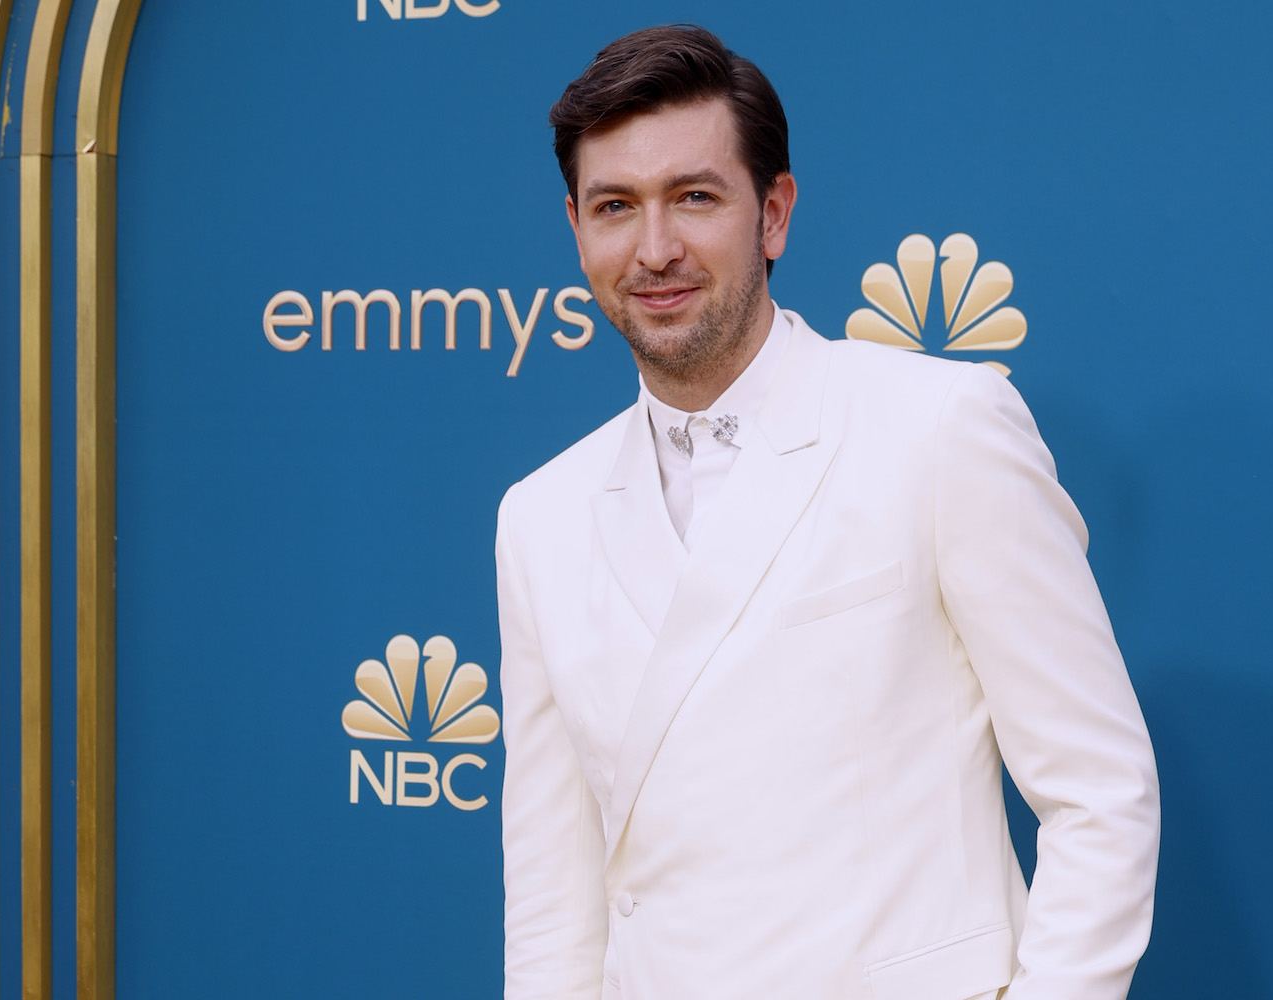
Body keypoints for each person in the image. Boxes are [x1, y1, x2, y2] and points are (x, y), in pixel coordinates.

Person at [495, 24, 1159, 1000]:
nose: (656, 248)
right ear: (576, 230)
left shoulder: (940, 428)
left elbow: (1101, 794)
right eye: (615, 207)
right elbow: (555, 899)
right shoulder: (539, 517)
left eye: (694, 197)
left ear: (774, 214)